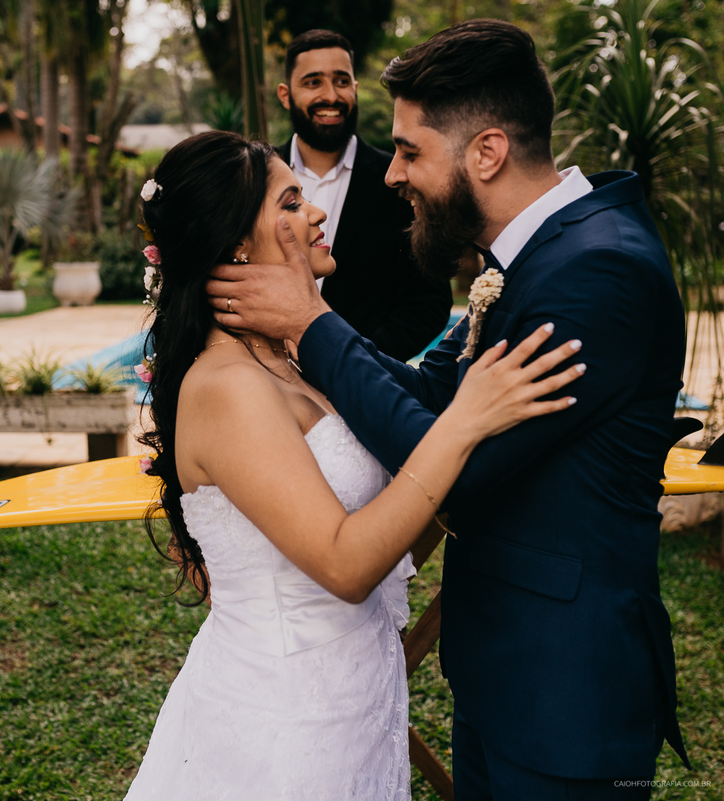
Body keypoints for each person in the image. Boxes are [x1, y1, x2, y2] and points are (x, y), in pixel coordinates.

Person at [206, 20, 689, 799]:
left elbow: (452, 466)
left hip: (565, 694)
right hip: (501, 674)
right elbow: (432, 392)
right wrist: (304, 345)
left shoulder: (599, 269)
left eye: (409, 150)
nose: (392, 173)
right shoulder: (533, 254)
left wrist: (310, 323)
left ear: (486, 153)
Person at [123, 130, 582, 799]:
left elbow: (391, 520)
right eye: (289, 203)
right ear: (238, 246)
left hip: (356, 702)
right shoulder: (226, 386)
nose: (315, 214)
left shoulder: (291, 359)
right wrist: (462, 425)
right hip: (283, 722)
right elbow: (344, 562)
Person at [275, 29, 452, 361]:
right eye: (313, 82)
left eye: (342, 81)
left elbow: (429, 302)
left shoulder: (402, 182)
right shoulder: (256, 179)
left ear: (355, 88)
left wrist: (359, 365)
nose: (331, 96)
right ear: (286, 95)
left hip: (363, 388)